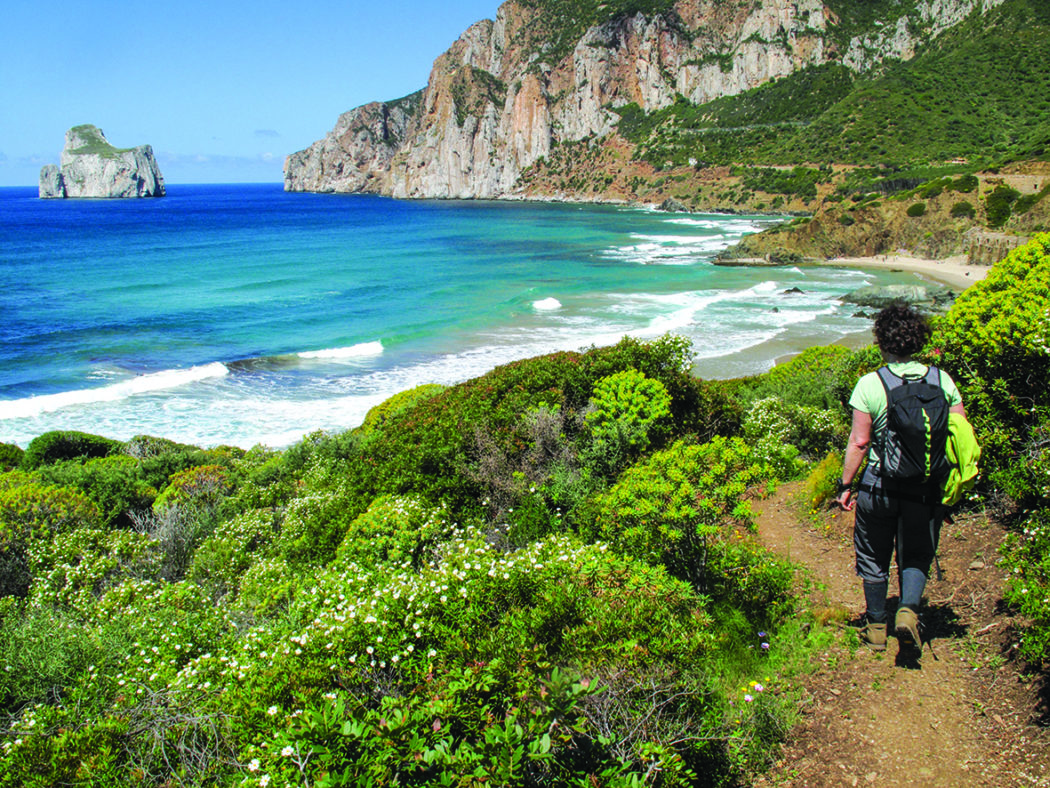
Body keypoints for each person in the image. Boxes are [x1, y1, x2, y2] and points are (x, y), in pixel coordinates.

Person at [836, 305, 966, 651]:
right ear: (917, 339)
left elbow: (859, 442)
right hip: (925, 488)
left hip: (879, 485)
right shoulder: (942, 380)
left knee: (873, 553)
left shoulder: (871, 384)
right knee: (917, 552)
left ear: (882, 341)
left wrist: (846, 485)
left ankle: (877, 626)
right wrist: (952, 486)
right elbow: (959, 436)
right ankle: (908, 612)